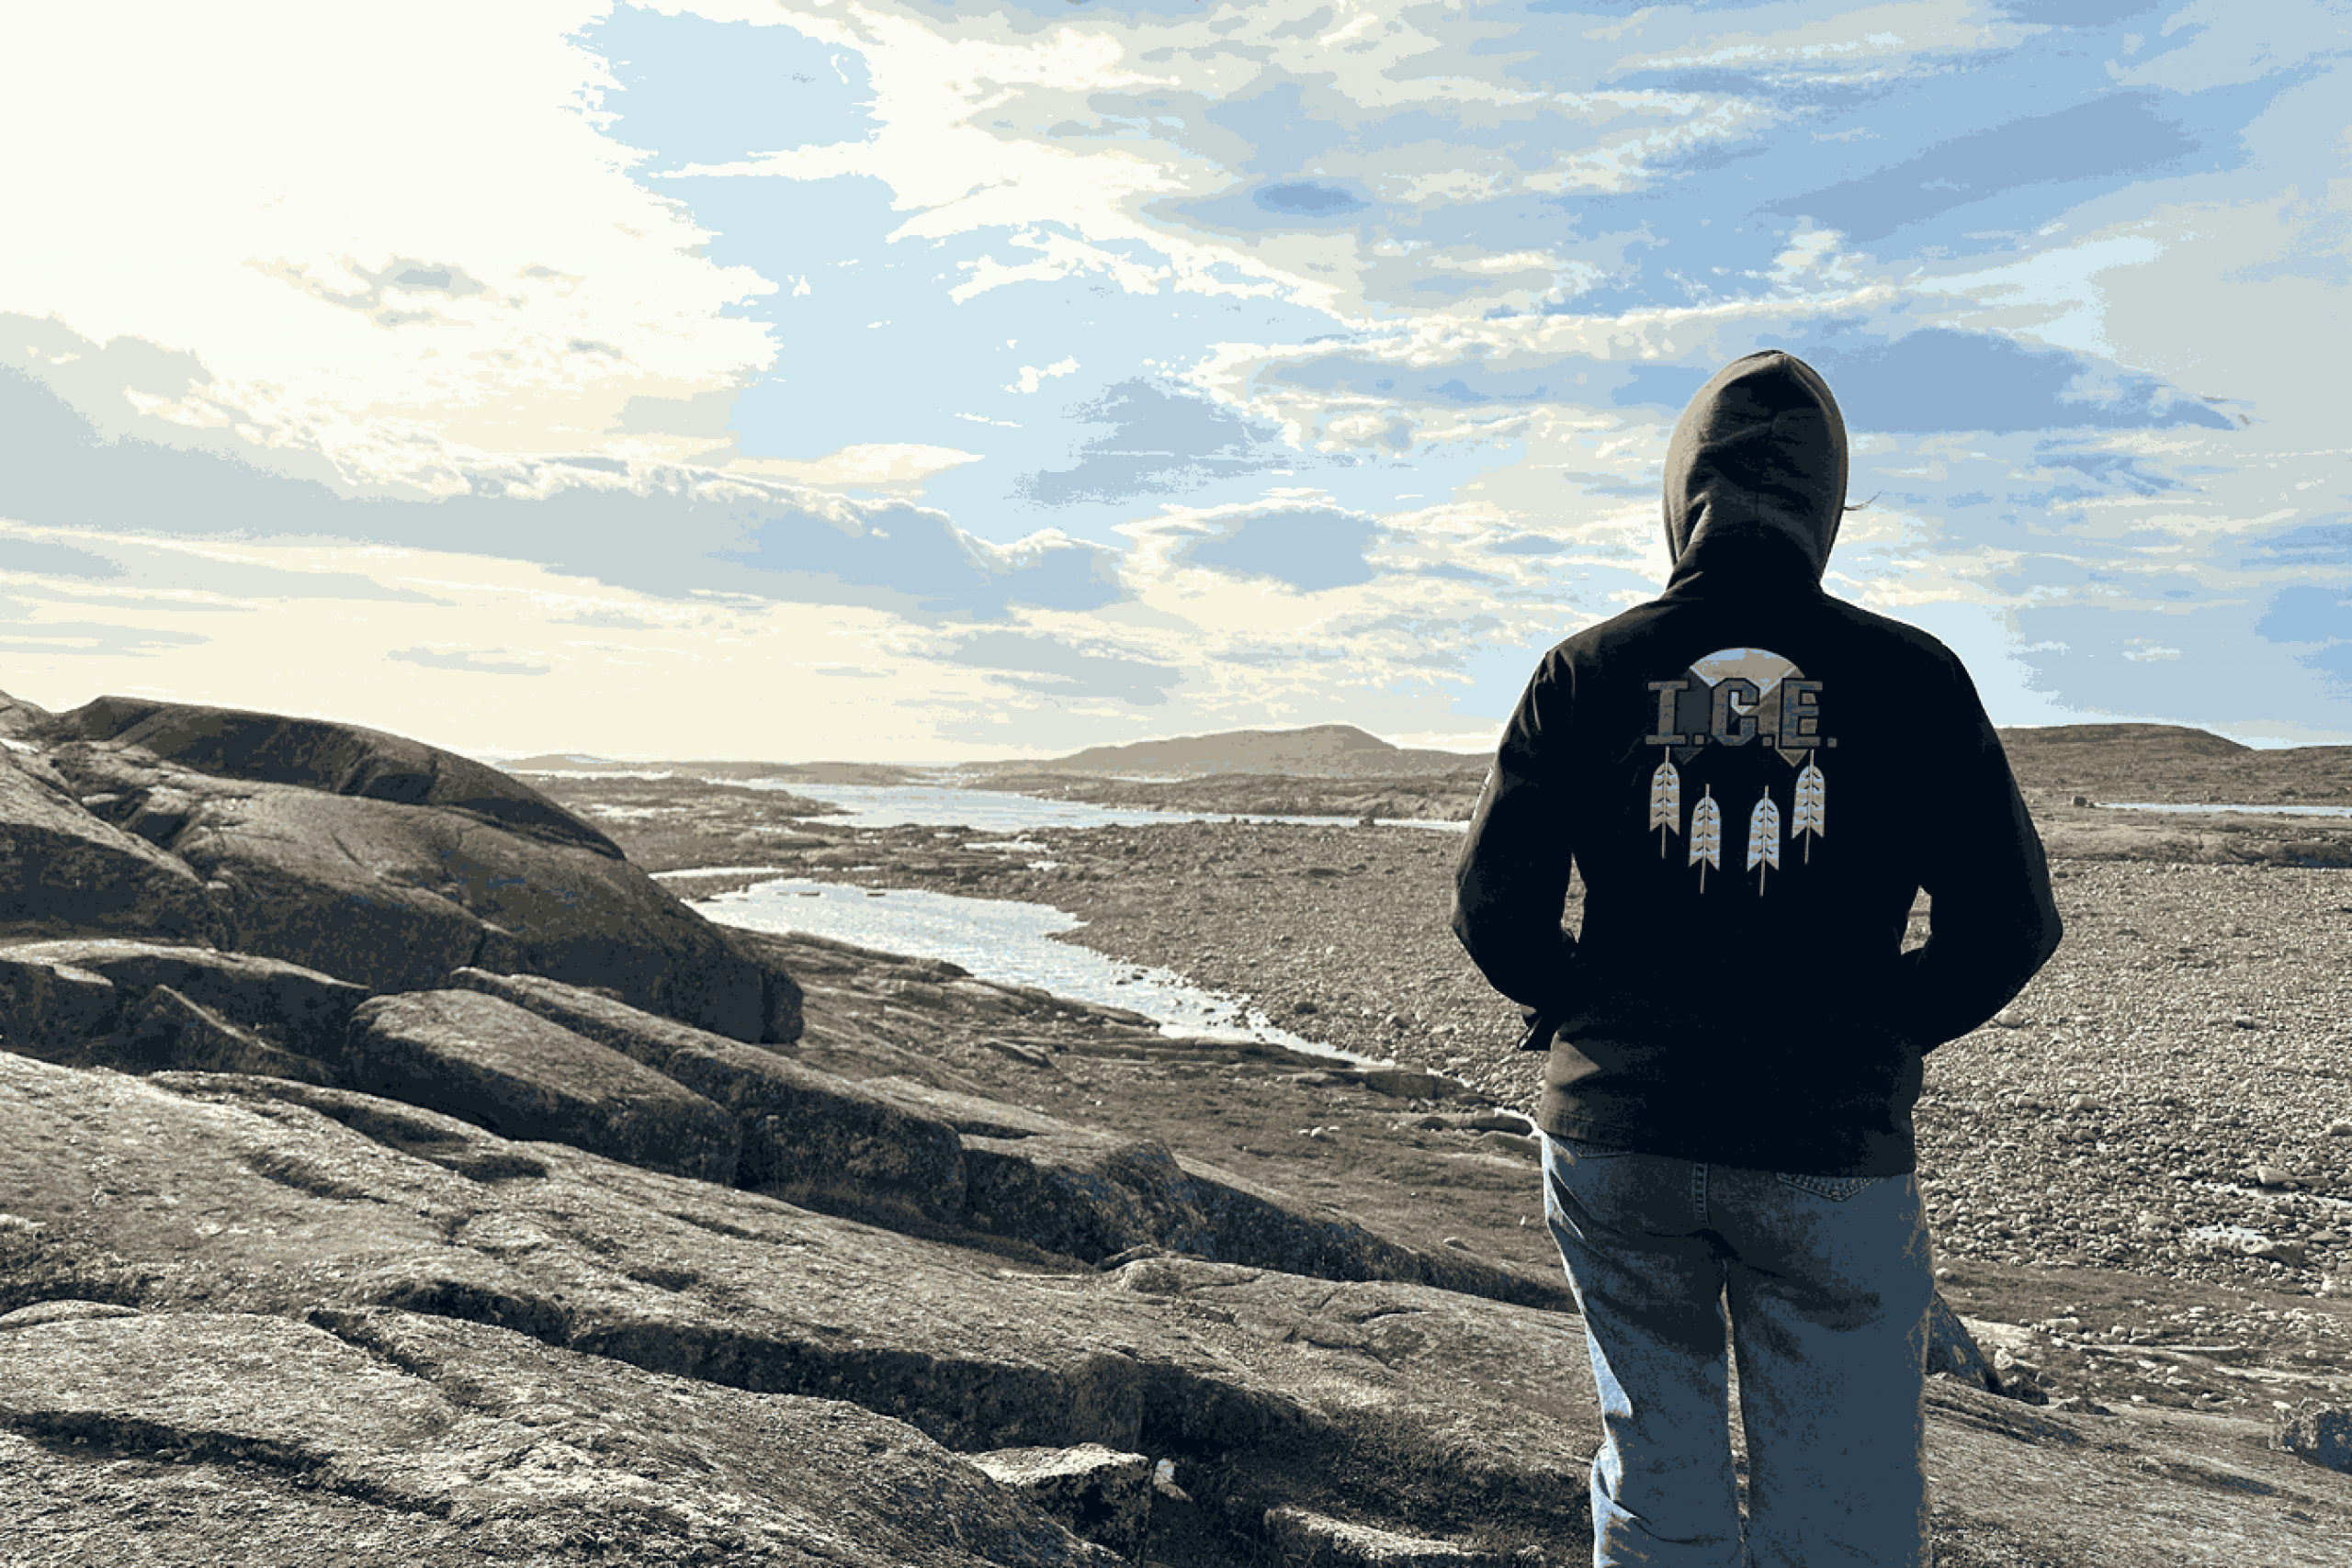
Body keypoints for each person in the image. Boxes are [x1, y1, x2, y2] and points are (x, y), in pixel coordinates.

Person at [1450, 350, 2063, 1568]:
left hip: (1618, 1133)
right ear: (1828, 505)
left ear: (1681, 494)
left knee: (1659, 1489)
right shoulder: (1916, 677)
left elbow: (1491, 911)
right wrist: (1884, 1028)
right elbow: (2012, 923)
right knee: (1841, 1526)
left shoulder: (1585, 671)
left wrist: (1589, 1002)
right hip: (1827, 1144)